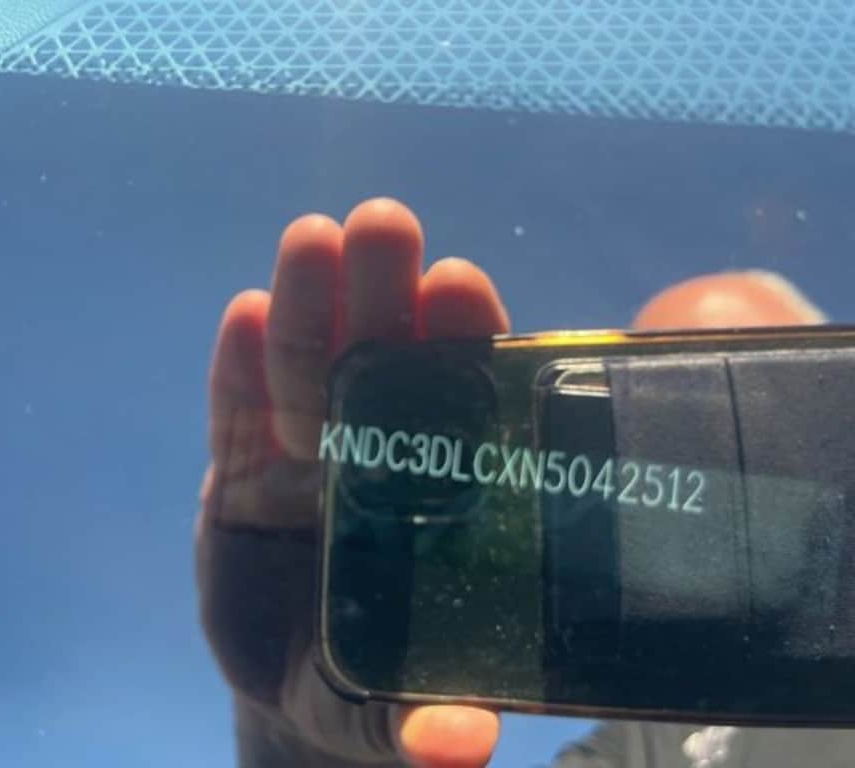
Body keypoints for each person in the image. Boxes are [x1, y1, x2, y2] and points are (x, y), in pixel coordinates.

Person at [195, 197, 840, 767]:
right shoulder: (636, 747)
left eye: (747, 394)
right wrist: (301, 744)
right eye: (648, 410)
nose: (692, 463)